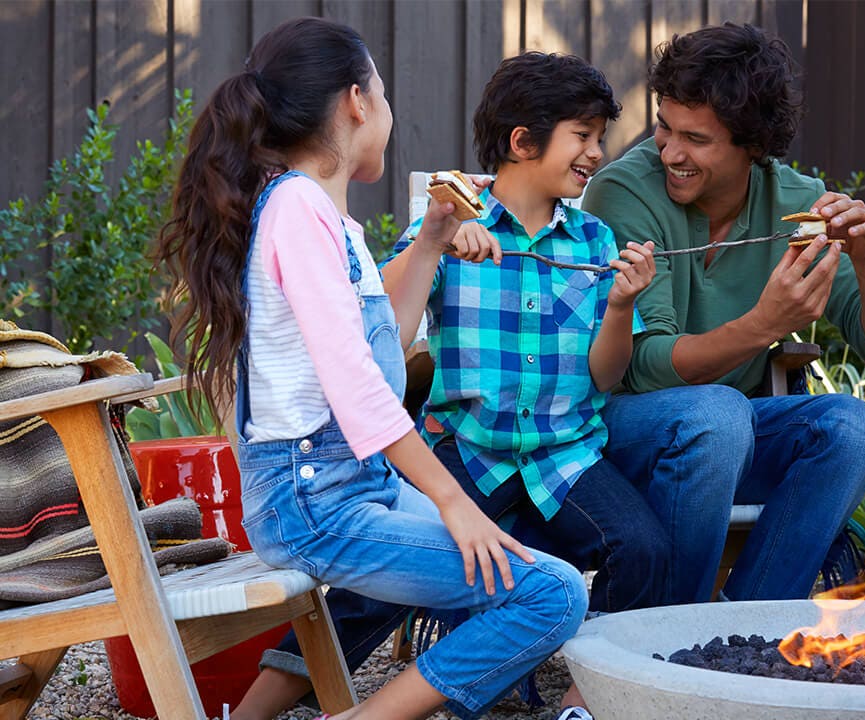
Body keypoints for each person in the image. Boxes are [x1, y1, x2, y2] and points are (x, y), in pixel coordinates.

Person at [155, 17, 588, 720]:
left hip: (356, 485)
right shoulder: (298, 208)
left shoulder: (327, 217)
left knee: (546, 584)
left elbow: (385, 344)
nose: (388, 114)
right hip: (316, 501)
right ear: (357, 102)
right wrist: (453, 501)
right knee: (553, 593)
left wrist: (432, 241)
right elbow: (353, 387)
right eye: (383, 97)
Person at [581, 23, 865, 603]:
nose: (671, 152)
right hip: (619, 435)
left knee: (857, 427)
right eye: (665, 127)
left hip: (725, 437)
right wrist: (764, 325)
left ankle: (744, 627)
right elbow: (641, 369)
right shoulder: (625, 192)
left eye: (698, 139)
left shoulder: (795, 202)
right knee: (718, 414)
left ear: (753, 146)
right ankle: (661, 633)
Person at [386, 51, 662, 720]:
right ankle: (284, 682)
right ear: (522, 141)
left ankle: (583, 696)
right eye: (584, 135)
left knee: (645, 548)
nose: (597, 152)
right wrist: (436, 241)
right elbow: (385, 340)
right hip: (467, 446)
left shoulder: (596, 241)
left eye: (599, 137)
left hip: (563, 450)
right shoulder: (453, 223)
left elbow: (607, 374)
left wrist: (622, 306)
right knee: (377, 569)